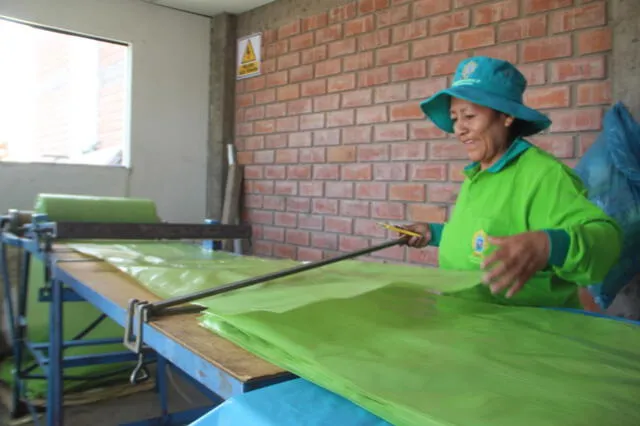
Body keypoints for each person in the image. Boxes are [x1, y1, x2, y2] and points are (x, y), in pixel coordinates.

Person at [401, 56, 623, 309]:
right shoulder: (478, 175)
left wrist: (548, 245)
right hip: (469, 327)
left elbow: (607, 240)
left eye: (469, 116)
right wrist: (434, 233)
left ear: (506, 116)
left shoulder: (542, 174)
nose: (458, 128)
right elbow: (485, 235)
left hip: (525, 335)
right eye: (454, 118)